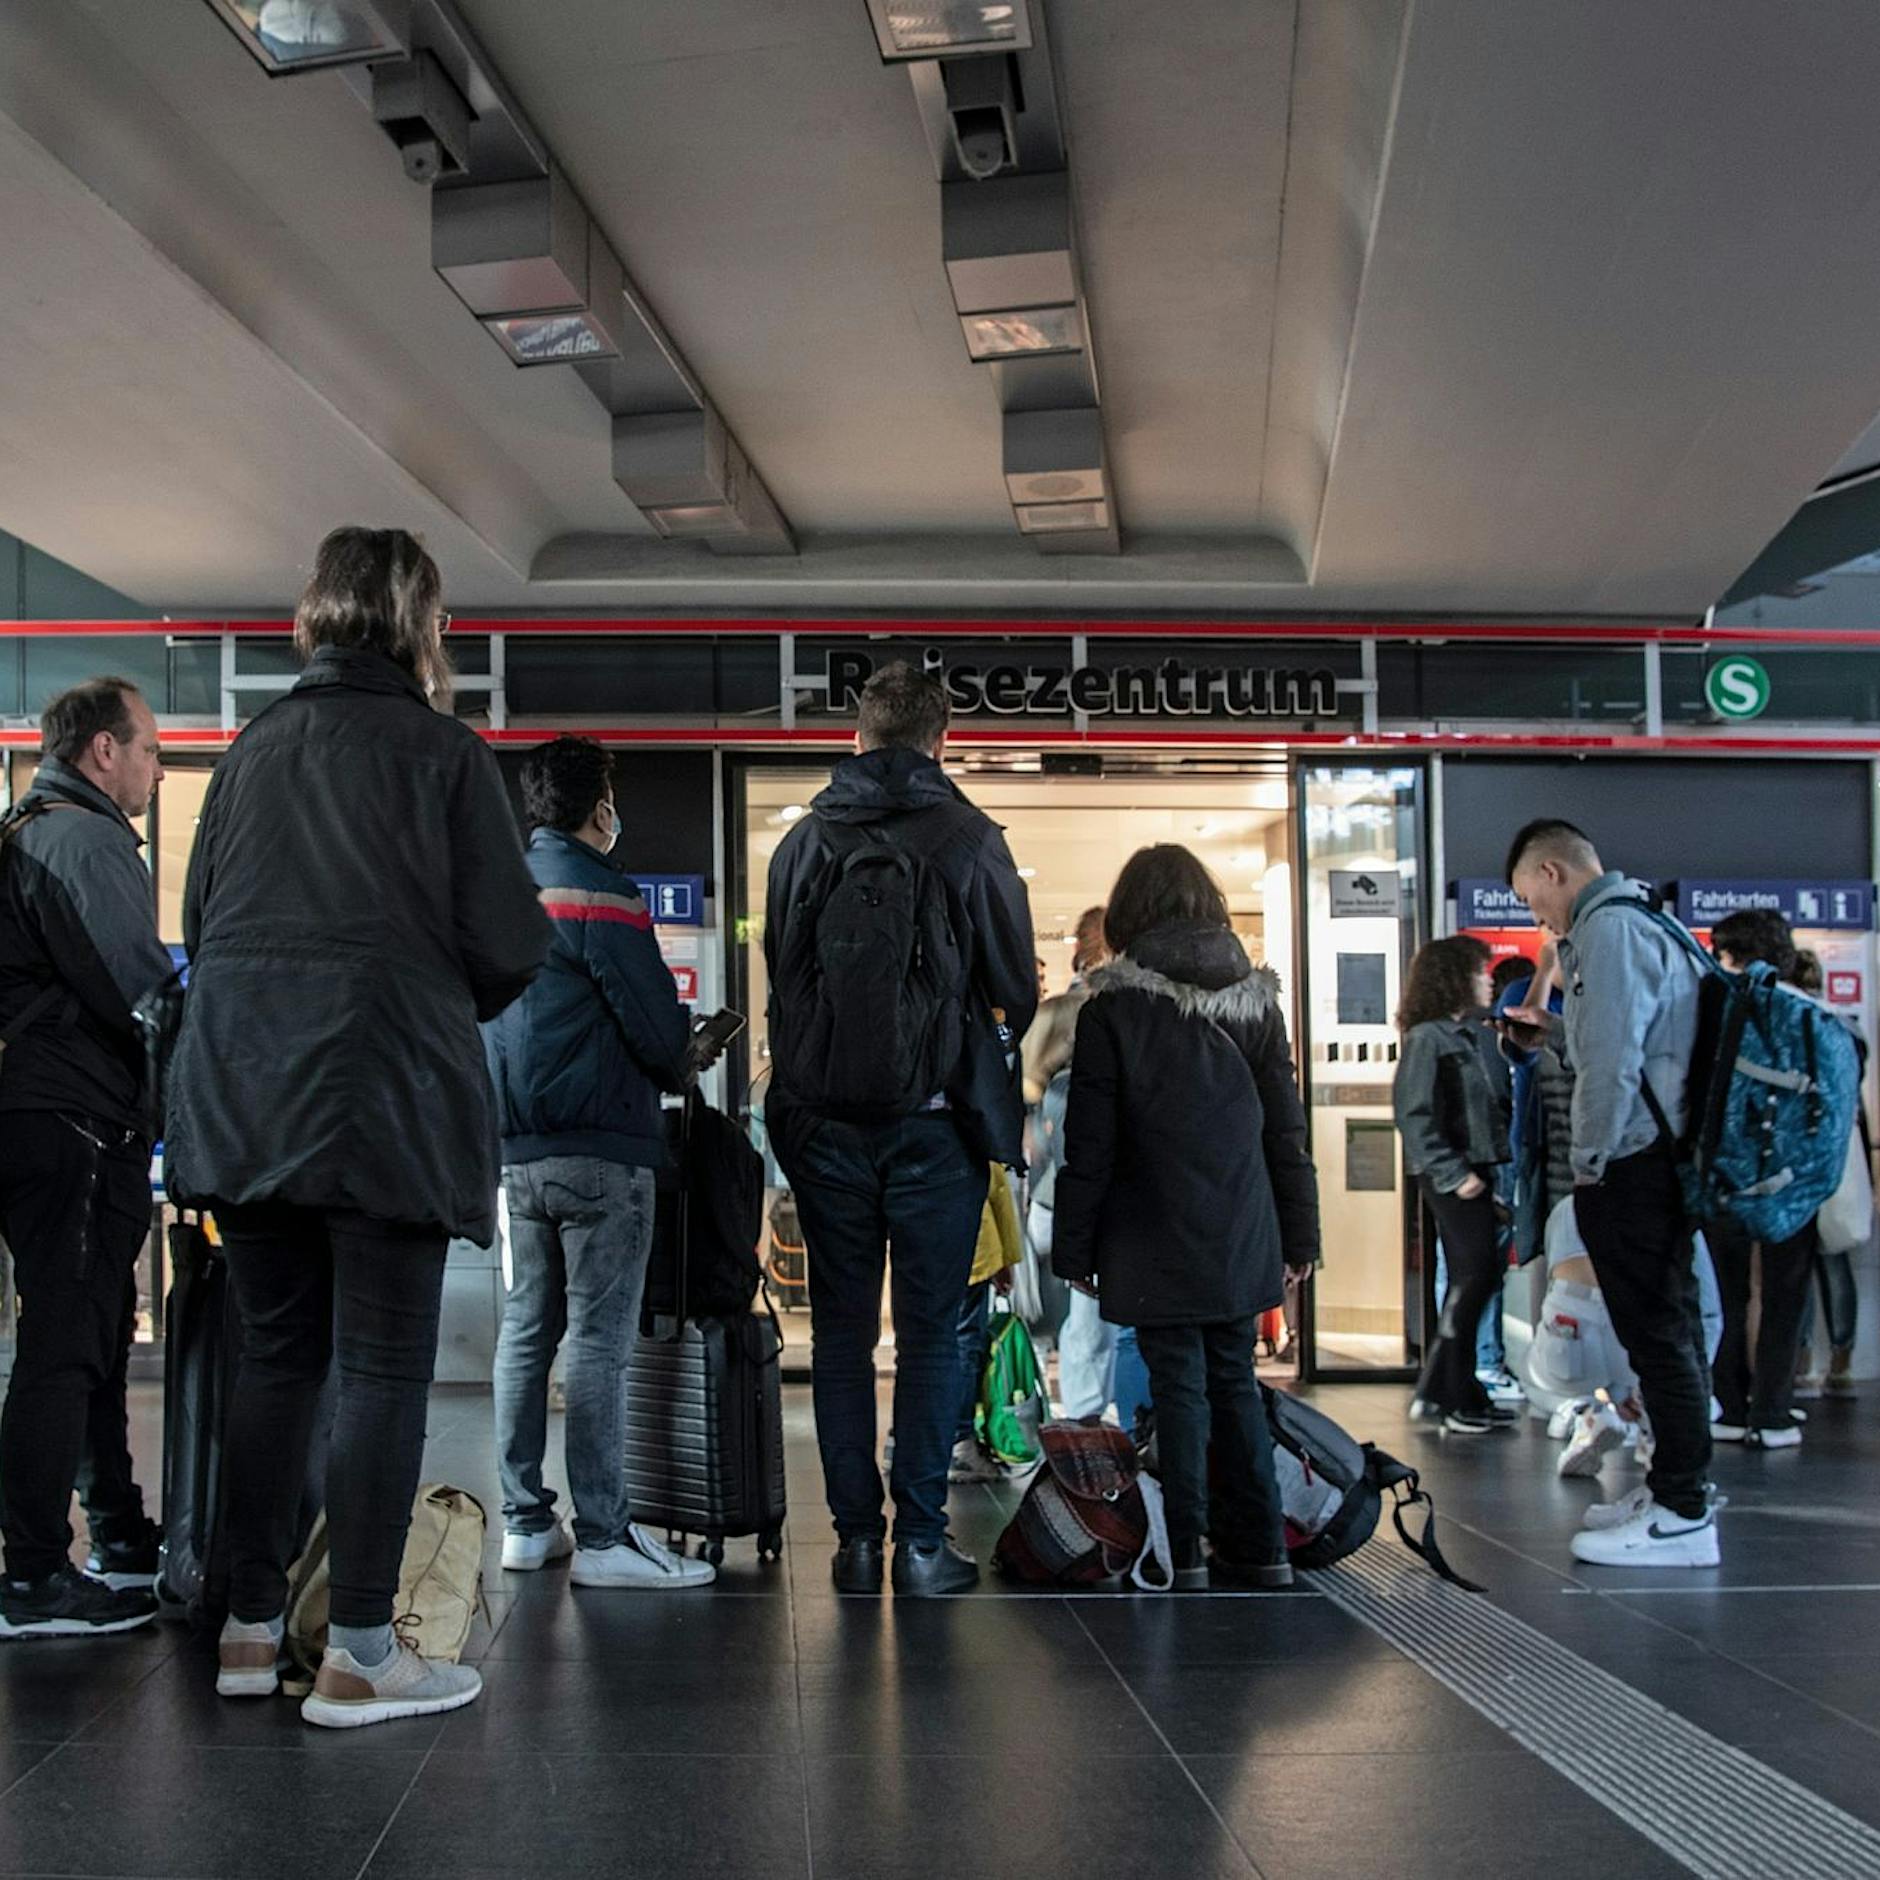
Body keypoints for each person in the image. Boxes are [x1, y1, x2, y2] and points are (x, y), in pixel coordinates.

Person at [166, 528, 550, 1724]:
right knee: (385, 1367)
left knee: (277, 1359)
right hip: (382, 1091)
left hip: (243, 1088)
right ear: (421, 624)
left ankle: (243, 1628)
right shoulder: (443, 755)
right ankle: (363, 1651)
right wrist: (433, 990)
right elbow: (508, 941)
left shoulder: (249, 751)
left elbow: (201, 918)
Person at [765, 662, 1036, 1597]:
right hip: (937, 1129)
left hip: (825, 1126)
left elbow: (784, 977)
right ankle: (921, 1546)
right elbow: (1017, 985)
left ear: (856, 737)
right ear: (942, 741)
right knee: (931, 1338)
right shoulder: (971, 840)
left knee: (839, 1336)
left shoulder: (804, 842)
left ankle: (850, 1544)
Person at [1052, 846, 1320, 1589]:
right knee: (1235, 1377)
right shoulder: (1257, 1001)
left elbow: (1090, 1144)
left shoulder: (1113, 1008)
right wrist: (1300, 1237)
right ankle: (1262, 1549)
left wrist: (1073, 1246)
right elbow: (1285, 1133)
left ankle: (1186, 1553)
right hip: (1241, 1227)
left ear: (1131, 916)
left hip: (1150, 1227)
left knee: (1176, 1384)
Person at [481, 736, 713, 1589]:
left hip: (519, 1154)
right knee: (599, 1345)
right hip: (602, 1152)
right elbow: (656, 1034)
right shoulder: (602, 897)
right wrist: (686, 1053)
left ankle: (524, 1520)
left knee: (526, 1329)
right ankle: (607, 1538)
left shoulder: (500, 891)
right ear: (598, 808)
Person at [0, 678, 173, 1637]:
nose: (153, 764)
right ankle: (31, 1576)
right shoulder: (80, 836)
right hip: (67, 1118)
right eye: (147, 747)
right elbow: (139, 992)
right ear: (103, 751)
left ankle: (117, 1533)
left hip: (52, 1113)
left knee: (95, 1340)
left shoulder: (32, 826)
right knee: (66, 1344)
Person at [1505, 820, 1716, 1567]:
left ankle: (1684, 1512)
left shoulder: (1609, 932)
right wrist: (1553, 1035)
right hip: (1653, 1159)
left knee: (1657, 1335)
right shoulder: (1647, 922)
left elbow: (1613, 1063)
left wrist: (1589, 1163)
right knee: (1665, 1329)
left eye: (1534, 900)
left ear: (1555, 872)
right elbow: (1630, 1046)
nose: (1538, 919)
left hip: (1633, 1165)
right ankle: (1673, 1492)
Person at [1703, 910, 1819, 1449]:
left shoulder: (1712, 1007)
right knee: (1784, 1294)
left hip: (1724, 1176)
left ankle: (1727, 1403)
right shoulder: (1805, 1016)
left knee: (1726, 1296)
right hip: (1791, 1180)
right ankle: (1771, 1410)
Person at [1394, 936, 1514, 1434]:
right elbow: (1413, 1113)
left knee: (1479, 1278)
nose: (1488, 979)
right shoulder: (1430, 1039)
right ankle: (1446, 1392)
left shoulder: (1470, 1036)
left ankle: (1455, 1390)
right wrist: (1453, 1174)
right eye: (1479, 972)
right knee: (1474, 1277)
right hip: (1457, 1176)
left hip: (1480, 1172)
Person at [1023, 906, 1119, 1419]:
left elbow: (1026, 1091)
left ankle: (1057, 1413)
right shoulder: (1128, 1012)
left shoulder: (1057, 1014)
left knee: (1053, 1310)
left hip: (1053, 1189)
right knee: (1090, 1318)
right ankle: (1087, 1418)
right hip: (1080, 1188)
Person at [1789, 948, 1864, 1401]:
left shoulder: (1792, 1025)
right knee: (1832, 1261)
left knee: (1794, 1263)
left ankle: (1800, 1360)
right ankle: (1840, 1359)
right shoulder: (1844, 1029)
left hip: (1800, 1155)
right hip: (1838, 1154)